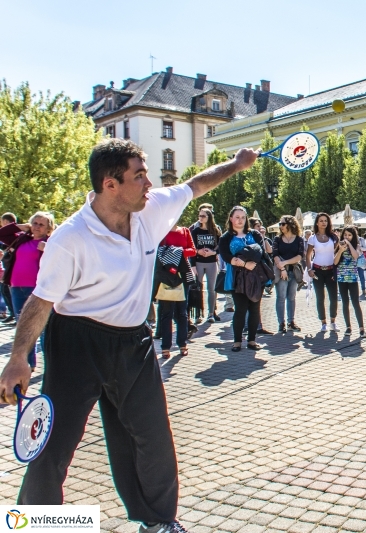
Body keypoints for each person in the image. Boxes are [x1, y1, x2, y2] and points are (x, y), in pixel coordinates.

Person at [0, 138, 258, 533]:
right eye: (139, 176)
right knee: (54, 445)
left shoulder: (149, 208)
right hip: (76, 343)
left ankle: (158, 522)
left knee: (151, 436)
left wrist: (237, 164)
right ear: (110, 185)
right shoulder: (71, 239)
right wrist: (19, 358)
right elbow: (41, 302)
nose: (149, 183)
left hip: (133, 341)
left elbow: (198, 184)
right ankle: (35, 525)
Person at [0, 211, 56, 368]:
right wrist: (19, 226)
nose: (37, 227)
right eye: (35, 223)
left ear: (48, 228)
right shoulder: (22, 239)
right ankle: (28, 364)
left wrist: (48, 249)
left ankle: (50, 365)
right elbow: (1, 234)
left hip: (38, 291)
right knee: (23, 328)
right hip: (17, 288)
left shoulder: (51, 242)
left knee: (43, 329)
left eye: (41, 224)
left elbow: (63, 258)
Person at [219, 206, 272, 351]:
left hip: (256, 275)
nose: (240, 220)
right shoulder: (226, 237)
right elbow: (226, 256)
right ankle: (237, 341)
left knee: (254, 308)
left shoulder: (254, 234)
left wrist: (251, 263)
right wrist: (243, 263)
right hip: (237, 277)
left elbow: (260, 252)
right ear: (231, 219)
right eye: (237, 217)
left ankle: (252, 340)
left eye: (243, 217)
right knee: (240, 309)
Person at [157, 224, 196, 358]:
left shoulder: (185, 231)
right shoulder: (162, 230)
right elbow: (158, 251)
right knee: (166, 313)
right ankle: (166, 346)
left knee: (182, 313)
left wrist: (176, 252)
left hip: (183, 274)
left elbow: (193, 250)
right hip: (167, 275)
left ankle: (182, 343)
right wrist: (179, 252)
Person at [306, 213, 339, 332]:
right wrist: (309, 269)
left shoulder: (333, 237)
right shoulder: (312, 238)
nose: (324, 223)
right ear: (317, 223)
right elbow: (308, 255)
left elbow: (337, 253)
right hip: (317, 270)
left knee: (334, 297)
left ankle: (333, 321)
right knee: (320, 297)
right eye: (321, 221)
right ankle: (323, 322)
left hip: (331, 270)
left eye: (325, 220)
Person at [273, 215, 304, 334]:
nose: (280, 226)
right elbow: (275, 254)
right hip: (281, 272)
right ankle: (281, 323)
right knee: (281, 297)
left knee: (291, 297)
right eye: (280, 224)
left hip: (294, 271)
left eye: (283, 224)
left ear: (290, 224)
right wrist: (282, 268)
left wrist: (285, 262)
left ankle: (291, 322)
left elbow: (299, 256)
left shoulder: (299, 239)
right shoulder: (277, 239)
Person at [334, 225, 366, 338]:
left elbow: (356, 256)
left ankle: (361, 328)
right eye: (345, 235)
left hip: (352, 279)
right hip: (342, 278)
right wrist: (340, 250)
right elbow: (335, 262)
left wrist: (350, 245)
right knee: (345, 302)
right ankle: (348, 327)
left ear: (353, 236)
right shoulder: (339, 246)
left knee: (356, 302)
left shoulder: (356, 246)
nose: (347, 237)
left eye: (349, 235)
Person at [190, 208, 221, 323]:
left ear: (209, 217)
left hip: (212, 263)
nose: (200, 218)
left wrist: (213, 252)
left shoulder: (215, 231)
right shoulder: (195, 231)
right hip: (198, 262)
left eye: (203, 216)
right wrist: (195, 259)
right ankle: (198, 314)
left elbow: (220, 246)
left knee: (211, 289)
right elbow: (192, 248)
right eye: (199, 216)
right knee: (198, 288)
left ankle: (211, 313)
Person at [0, 213, 18, 324]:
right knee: (5, 291)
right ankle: (13, 314)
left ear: (6, 222)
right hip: (8, 268)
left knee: (9, 292)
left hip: (13, 270)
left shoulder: (17, 235)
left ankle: (15, 314)